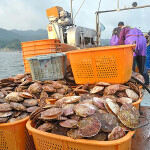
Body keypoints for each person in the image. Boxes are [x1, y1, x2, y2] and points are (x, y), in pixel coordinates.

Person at [118, 21, 149, 86]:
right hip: (142, 41)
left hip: (131, 41)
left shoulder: (123, 29)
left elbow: (120, 40)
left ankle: (133, 84)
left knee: (131, 66)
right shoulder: (135, 29)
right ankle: (146, 83)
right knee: (142, 66)